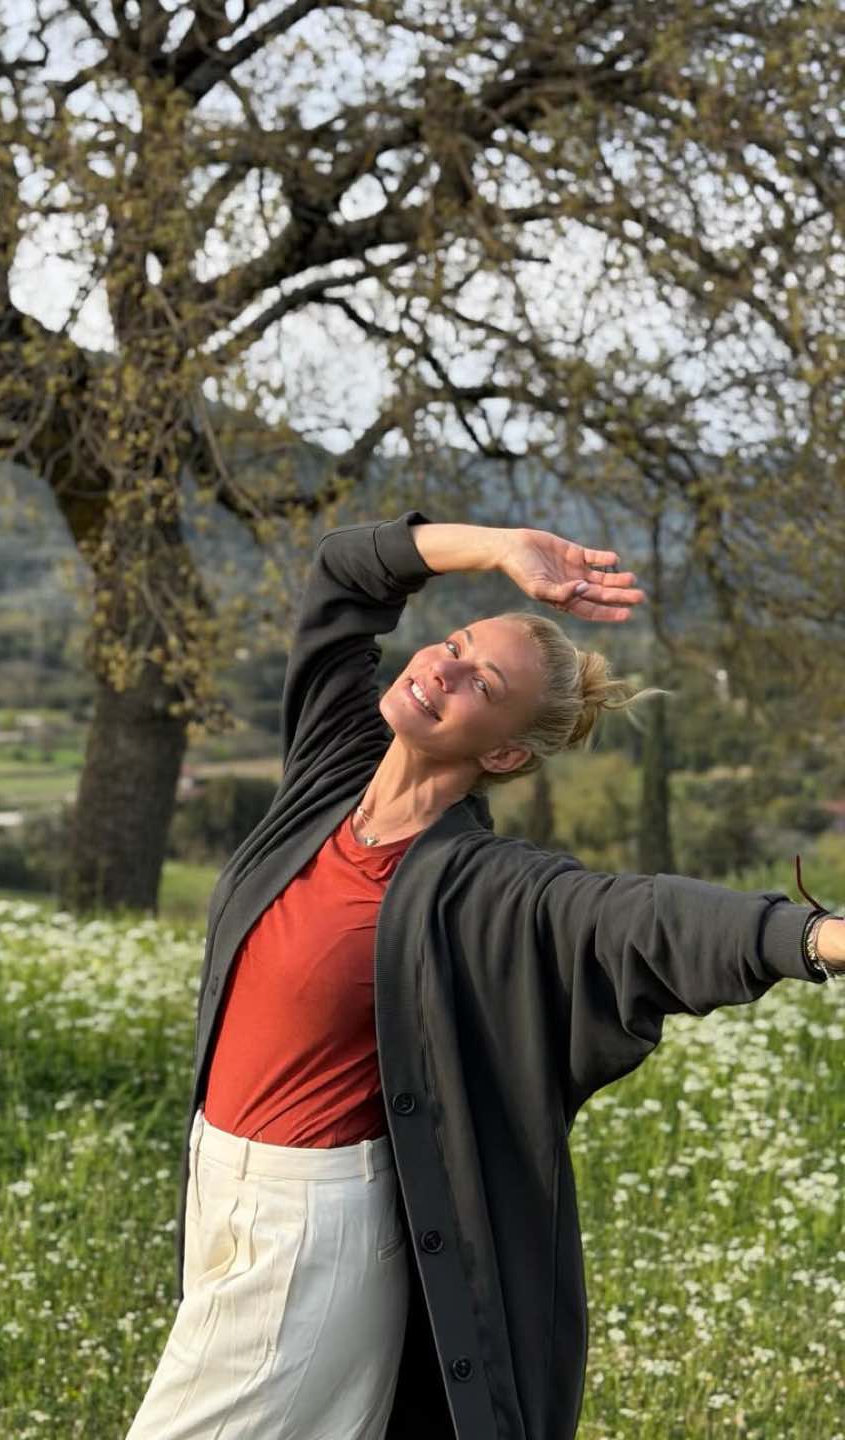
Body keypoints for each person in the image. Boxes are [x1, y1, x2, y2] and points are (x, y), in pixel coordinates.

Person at [125, 512, 843, 1440]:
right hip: (217, 1176)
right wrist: (503, 547)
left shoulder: (484, 887)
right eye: (456, 643)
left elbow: (643, 919)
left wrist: (818, 936)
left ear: (501, 754)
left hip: (309, 1229)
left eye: (480, 683)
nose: (442, 667)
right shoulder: (329, 776)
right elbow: (346, 574)